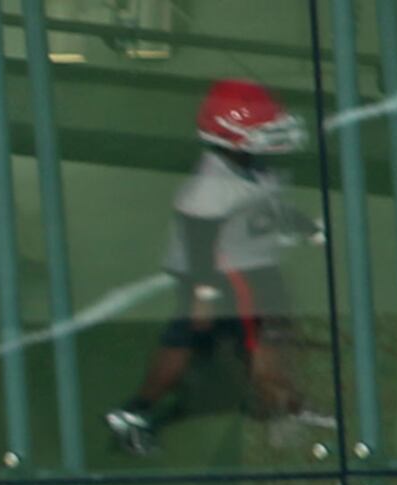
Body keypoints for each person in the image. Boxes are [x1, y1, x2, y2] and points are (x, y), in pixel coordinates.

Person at [107, 79, 327, 453]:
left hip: (248, 264)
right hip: (225, 272)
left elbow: (265, 207)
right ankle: (139, 410)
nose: (272, 134)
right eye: (261, 127)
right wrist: (204, 296)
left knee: (253, 339)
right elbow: (199, 248)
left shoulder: (253, 168)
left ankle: (280, 399)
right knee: (243, 339)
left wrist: (304, 227)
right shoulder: (209, 190)